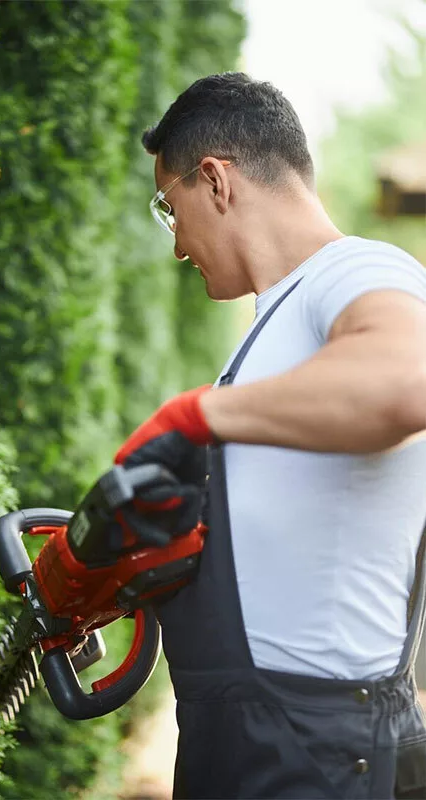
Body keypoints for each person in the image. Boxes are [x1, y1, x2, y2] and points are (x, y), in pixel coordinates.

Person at [114, 72, 426, 799]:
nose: (177, 246)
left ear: (215, 180)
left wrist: (190, 418)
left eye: (170, 208)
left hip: (318, 754)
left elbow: (405, 381)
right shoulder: (270, 332)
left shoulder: (355, 270)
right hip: (254, 740)